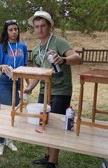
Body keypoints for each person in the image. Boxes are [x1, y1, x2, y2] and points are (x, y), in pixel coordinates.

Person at [24, 11, 82, 168]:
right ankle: (48, 156)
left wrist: (63, 59)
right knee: (44, 123)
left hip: (60, 90)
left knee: (55, 126)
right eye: (37, 26)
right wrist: (29, 88)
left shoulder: (59, 42)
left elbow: (77, 58)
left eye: (43, 26)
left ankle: (52, 162)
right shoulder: (36, 50)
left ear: (49, 26)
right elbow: (38, 74)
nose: (40, 29)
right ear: (34, 29)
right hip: (44, 91)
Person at [0, 20, 28, 156]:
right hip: (5, 82)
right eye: (11, 30)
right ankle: (1, 142)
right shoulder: (2, 46)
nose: (14, 32)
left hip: (18, 83)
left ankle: (9, 139)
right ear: (6, 32)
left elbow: (24, 68)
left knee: (16, 111)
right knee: (6, 110)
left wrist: (28, 86)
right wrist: (2, 66)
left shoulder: (23, 47)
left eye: (16, 29)